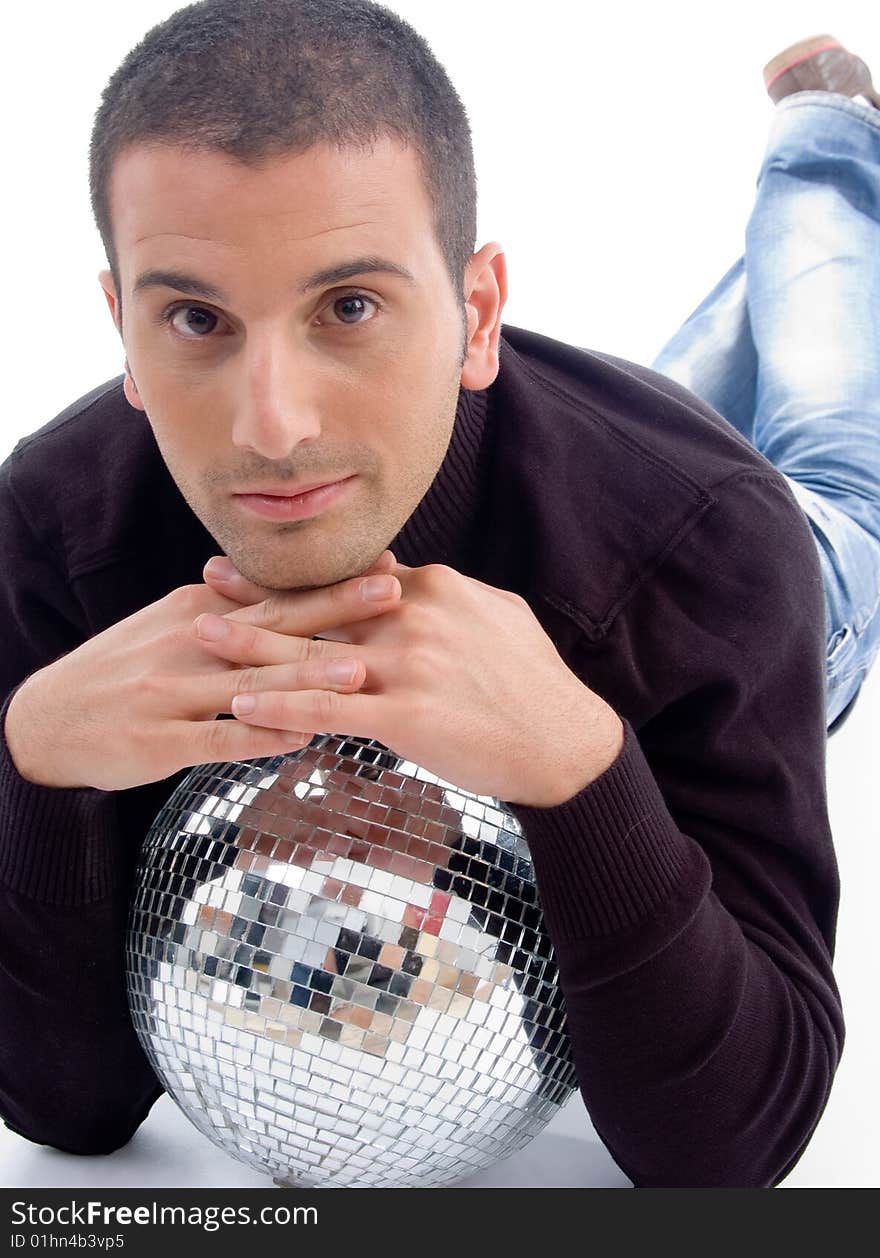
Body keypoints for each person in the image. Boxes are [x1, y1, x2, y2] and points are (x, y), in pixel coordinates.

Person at [0, 0, 873, 1188]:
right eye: (195, 318)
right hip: (596, 470)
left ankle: (825, 142)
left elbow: (731, 1154)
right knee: (662, 418)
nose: (274, 425)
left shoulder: (704, 542)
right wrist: (40, 769)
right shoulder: (54, 527)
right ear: (121, 330)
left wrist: (578, 763)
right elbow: (72, 1108)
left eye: (347, 307)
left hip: (795, 572)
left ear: (473, 314)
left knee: (827, 442)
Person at [652, 33, 880, 733]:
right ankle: (832, 146)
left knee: (651, 421)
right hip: (736, 667)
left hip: (602, 533)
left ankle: (840, 164)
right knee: (841, 491)